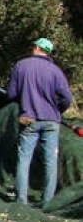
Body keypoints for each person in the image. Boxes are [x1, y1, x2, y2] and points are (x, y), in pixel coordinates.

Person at [6, 37, 73, 206]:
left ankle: (21, 199)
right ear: (47, 51)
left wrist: (22, 98)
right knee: (50, 160)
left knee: (24, 158)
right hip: (52, 120)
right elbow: (66, 98)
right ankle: (48, 200)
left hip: (28, 118)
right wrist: (58, 110)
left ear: (36, 47)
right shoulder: (56, 71)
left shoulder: (21, 66)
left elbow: (11, 94)